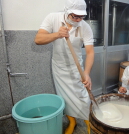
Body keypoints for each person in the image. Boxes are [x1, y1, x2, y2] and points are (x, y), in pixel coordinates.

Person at [34, 0, 94, 133]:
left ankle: (89, 123)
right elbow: (38, 39)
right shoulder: (53, 18)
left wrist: (87, 73)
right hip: (59, 68)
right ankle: (72, 122)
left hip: (76, 68)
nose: (78, 19)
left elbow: (90, 52)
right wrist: (57, 34)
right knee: (64, 98)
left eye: (81, 16)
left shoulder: (85, 27)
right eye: (75, 16)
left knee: (83, 98)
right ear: (67, 12)